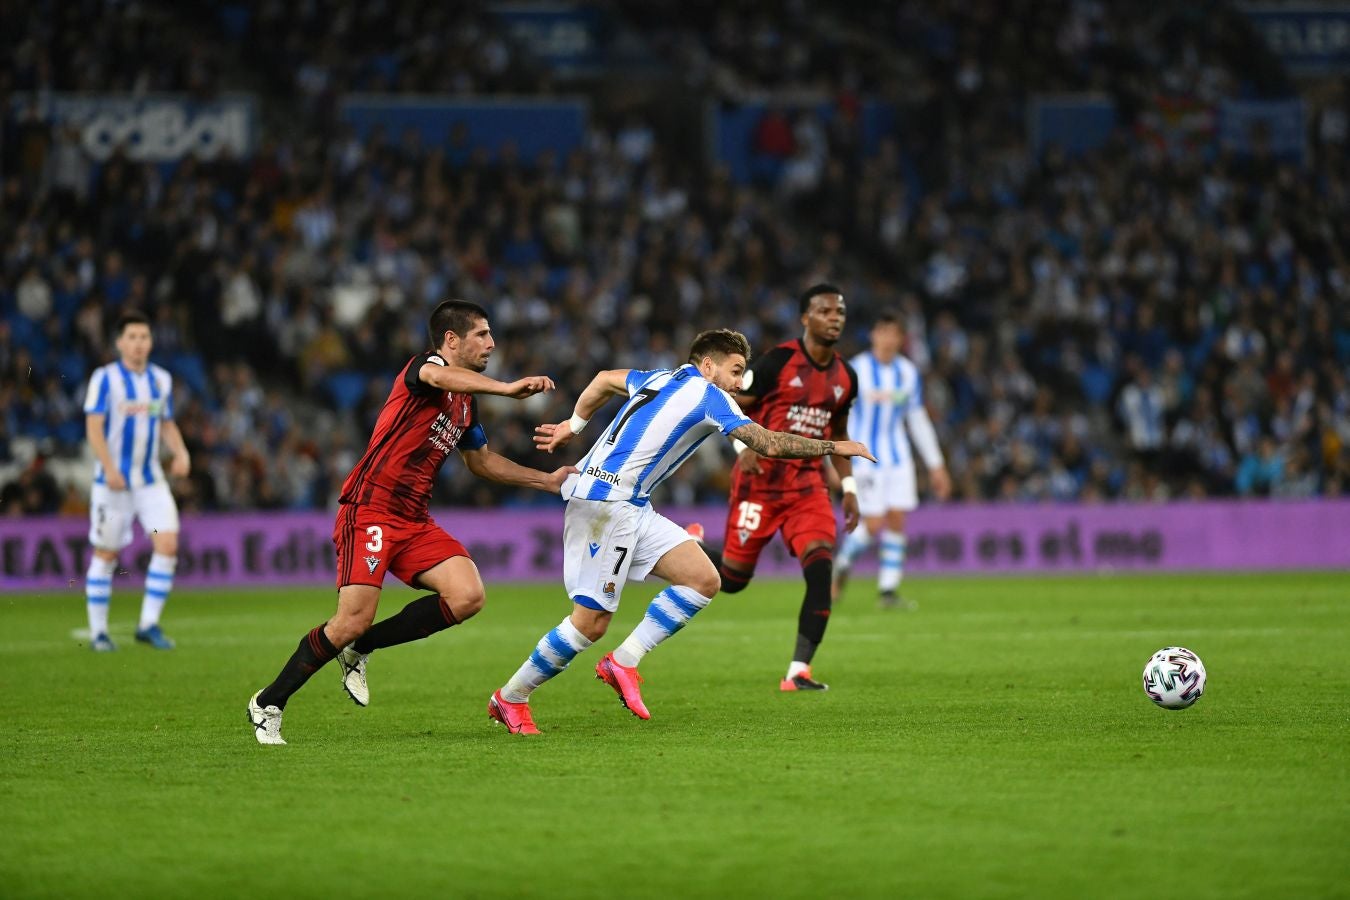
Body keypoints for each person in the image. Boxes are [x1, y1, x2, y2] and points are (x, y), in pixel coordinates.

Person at [486, 329, 874, 735]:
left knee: (704, 578)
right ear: (708, 366)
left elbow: (602, 379)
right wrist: (833, 448)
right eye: (735, 371)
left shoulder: (655, 377)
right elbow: (769, 443)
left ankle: (623, 661)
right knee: (591, 623)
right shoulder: (710, 396)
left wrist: (574, 425)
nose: (740, 383)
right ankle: (510, 697)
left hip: (632, 504)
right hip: (606, 505)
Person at [246, 300, 575, 745]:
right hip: (371, 509)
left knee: (467, 595)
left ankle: (362, 648)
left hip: (413, 518)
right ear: (452, 340)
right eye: (482, 334)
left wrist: (545, 480)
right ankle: (269, 702)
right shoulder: (425, 368)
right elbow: (439, 376)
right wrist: (506, 388)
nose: (492, 343)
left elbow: (479, 461)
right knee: (350, 620)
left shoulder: (465, 402)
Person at [692, 284, 861, 692]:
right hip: (759, 487)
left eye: (839, 311)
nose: (834, 317)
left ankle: (797, 671)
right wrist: (738, 445)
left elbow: (838, 433)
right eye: (825, 310)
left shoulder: (845, 376)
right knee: (732, 581)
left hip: (807, 488)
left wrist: (849, 486)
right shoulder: (777, 363)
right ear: (806, 318)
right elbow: (727, 402)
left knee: (821, 567)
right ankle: (690, 544)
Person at [82, 310, 191, 652]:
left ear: (151, 342)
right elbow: (94, 427)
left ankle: (148, 625)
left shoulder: (160, 380)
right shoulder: (105, 379)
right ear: (118, 343)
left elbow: (166, 422)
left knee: (168, 545)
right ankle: (99, 632)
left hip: (149, 482)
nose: (138, 343)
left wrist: (181, 451)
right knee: (106, 553)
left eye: (144, 337)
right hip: (112, 483)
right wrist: (110, 467)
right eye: (132, 337)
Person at [831, 312, 951, 608]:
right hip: (863, 457)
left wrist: (936, 464)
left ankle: (887, 592)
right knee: (872, 524)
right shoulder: (855, 370)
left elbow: (917, 418)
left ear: (901, 338)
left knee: (897, 519)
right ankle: (842, 564)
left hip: (899, 459)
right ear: (873, 335)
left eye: (893, 333)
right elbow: (835, 416)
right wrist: (833, 458)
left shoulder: (908, 373)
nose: (887, 339)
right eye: (882, 332)